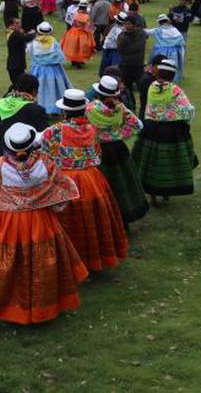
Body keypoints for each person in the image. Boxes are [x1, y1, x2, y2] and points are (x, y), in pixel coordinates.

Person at [0, 122, 86, 325]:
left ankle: (10, 306)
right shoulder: (45, 164)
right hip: (39, 220)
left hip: (8, 221)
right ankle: (44, 305)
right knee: (42, 262)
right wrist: (54, 205)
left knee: (7, 262)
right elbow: (66, 187)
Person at [40, 89, 129, 272]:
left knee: (68, 222)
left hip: (66, 180)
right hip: (92, 179)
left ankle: (71, 262)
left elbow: (44, 154)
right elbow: (97, 153)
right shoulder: (92, 129)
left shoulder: (55, 131)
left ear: (65, 111)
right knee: (93, 220)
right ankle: (94, 259)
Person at [132, 59, 198, 204]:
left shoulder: (152, 87)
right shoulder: (175, 90)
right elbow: (187, 110)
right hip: (170, 131)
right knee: (168, 161)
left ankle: (153, 194)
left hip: (150, 128)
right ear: (173, 75)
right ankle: (166, 190)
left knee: (151, 161)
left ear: (158, 73)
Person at [87, 76, 149, 225]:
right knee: (122, 182)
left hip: (99, 151)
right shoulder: (120, 108)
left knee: (105, 185)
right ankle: (126, 216)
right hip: (118, 149)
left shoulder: (90, 109)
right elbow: (138, 125)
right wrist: (119, 134)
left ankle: (108, 218)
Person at [0, 73, 49, 159]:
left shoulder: (0, 103)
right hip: (23, 163)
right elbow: (44, 139)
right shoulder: (37, 110)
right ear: (34, 91)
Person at [28, 22, 72, 115]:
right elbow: (60, 56)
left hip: (39, 69)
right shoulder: (53, 41)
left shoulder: (33, 41)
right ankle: (54, 108)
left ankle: (39, 107)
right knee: (54, 89)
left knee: (39, 89)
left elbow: (28, 51)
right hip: (53, 70)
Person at [146, 14, 186, 82]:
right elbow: (182, 41)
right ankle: (173, 77)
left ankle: (158, 76)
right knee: (172, 65)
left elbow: (147, 31)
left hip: (161, 51)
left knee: (159, 65)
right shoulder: (174, 29)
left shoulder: (158, 30)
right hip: (174, 52)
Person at [117, 13, 147, 93]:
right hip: (125, 65)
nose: (127, 26)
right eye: (125, 24)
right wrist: (124, 36)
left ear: (134, 25)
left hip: (138, 65)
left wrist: (127, 50)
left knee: (142, 87)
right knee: (126, 89)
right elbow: (120, 49)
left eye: (129, 24)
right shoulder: (122, 35)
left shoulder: (141, 34)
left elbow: (139, 47)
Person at [61, 2, 97, 68]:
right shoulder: (86, 16)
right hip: (82, 34)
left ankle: (74, 62)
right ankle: (79, 62)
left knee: (73, 48)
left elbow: (69, 22)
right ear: (85, 8)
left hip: (72, 32)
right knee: (81, 48)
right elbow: (87, 27)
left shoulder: (74, 14)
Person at [5, 18, 34, 85]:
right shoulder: (15, 34)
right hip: (15, 65)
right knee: (19, 84)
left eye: (19, 23)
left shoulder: (15, 33)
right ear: (12, 25)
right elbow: (26, 38)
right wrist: (36, 34)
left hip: (15, 64)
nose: (19, 25)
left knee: (18, 84)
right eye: (17, 23)